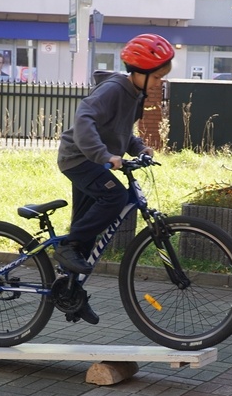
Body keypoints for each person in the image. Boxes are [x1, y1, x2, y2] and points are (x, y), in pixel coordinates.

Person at [54, 33, 175, 324]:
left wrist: (138, 147)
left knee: (88, 231)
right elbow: (84, 117)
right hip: (79, 158)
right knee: (115, 196)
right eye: (157, 77)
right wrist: (103, 155)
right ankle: (66, 247)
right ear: (140, 72)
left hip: (93, 160)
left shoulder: (134, 95)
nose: (160, 83)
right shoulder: (114, 89)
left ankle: (71, 293)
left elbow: (119, 131)